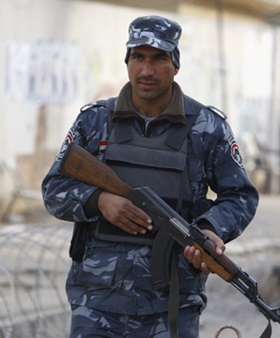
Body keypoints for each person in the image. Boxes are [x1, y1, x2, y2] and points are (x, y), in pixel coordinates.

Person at [42, 15, 258, 337]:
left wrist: (212, 228)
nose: (146, 70)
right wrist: (98, 201)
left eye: (158, 58)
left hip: (173, 301)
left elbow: (240, 196)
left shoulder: (207, 127)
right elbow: (54, 188)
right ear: (127, 61)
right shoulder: (94, 121)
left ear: (176, 64)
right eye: (138, 57)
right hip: (97, 300)